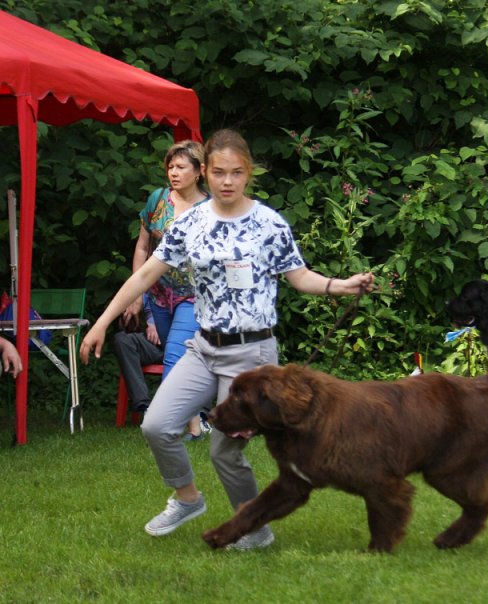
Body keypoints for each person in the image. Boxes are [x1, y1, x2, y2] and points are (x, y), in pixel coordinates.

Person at [80, 129, 374, 550]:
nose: (227, 181)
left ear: (248, 173)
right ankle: (187, 498)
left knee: (224, 453)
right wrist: (102, 322)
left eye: (237, 172)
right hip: (204, 347)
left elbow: (299, 276)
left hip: (251, 354)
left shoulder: (269, 223)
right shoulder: (190, 222)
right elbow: (146, 274)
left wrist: (338, 285)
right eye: (218, 172)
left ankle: (255, 530)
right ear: (206, 172)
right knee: (157, 425)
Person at [121, 140, 211, 439]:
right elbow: (142, 247)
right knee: (183, 357)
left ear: (198, 171)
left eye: (181, 167)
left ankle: (167, 425)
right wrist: (137, 294)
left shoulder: (210, 208)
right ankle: (195, 420)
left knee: (175, 356)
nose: (173, 172)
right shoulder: (158, 200)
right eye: (170, 167)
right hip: (158, 296)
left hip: (193, 298)